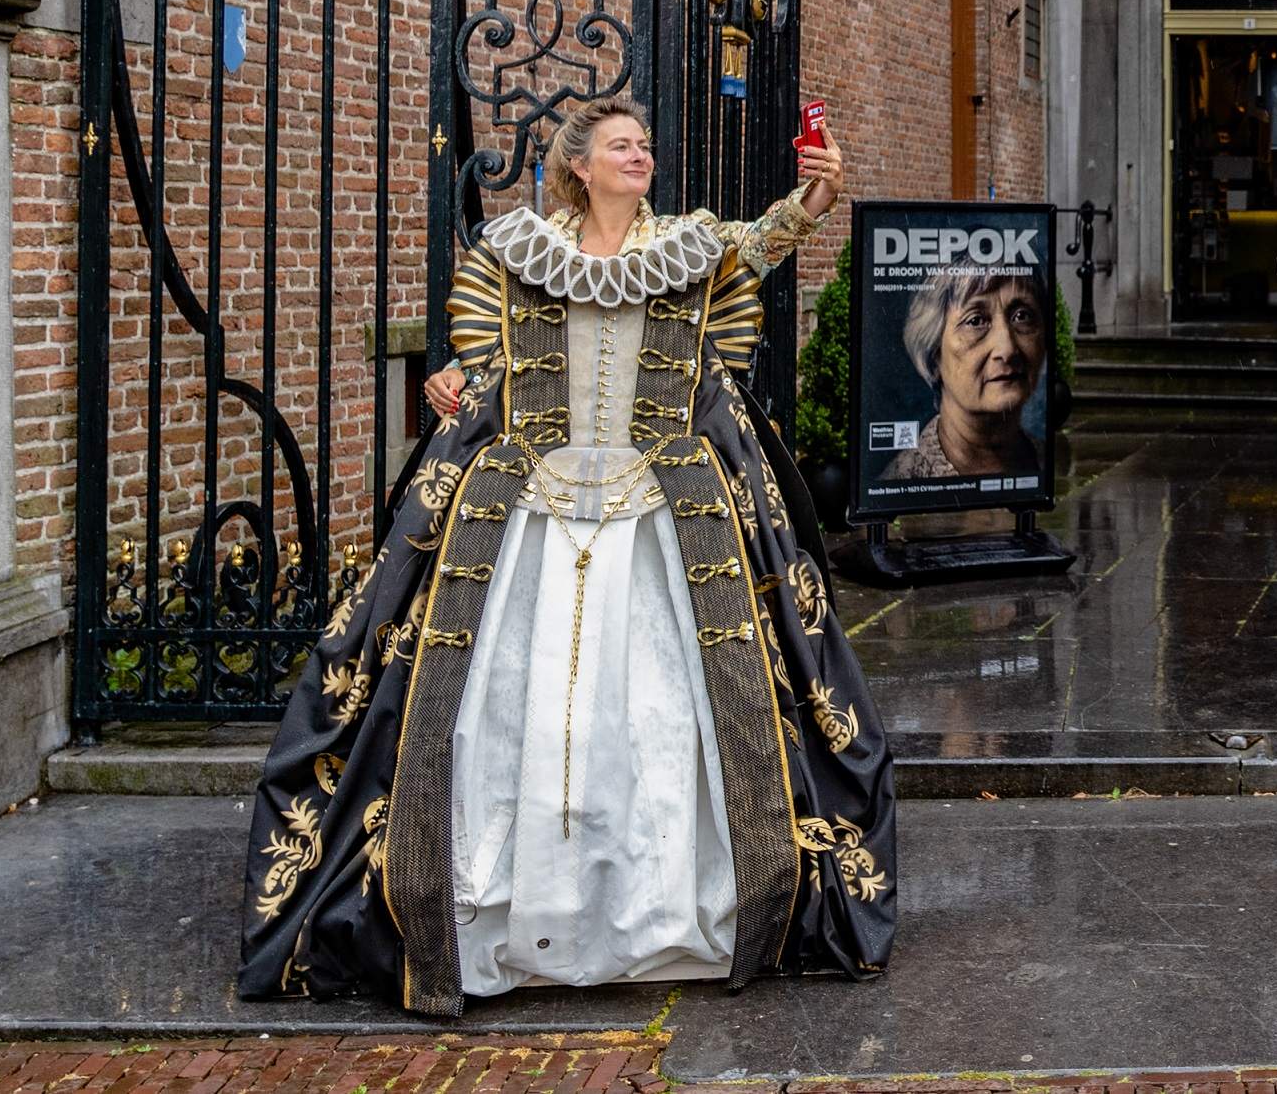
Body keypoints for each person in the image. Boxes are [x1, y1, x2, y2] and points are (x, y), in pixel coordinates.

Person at [238, 98, 897, 1017]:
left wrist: (814, 198)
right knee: (511, 721)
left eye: (646, 144)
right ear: (578, 164)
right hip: (530, 516)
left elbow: (760, 241)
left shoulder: (688, 247)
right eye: (623, 145)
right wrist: (455, 381)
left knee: (663, 725)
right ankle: (497, 917)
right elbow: (485, 362)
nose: (642, 156)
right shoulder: (519, 249)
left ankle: (666, 918)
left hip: (663, 516)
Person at [879, 270, 1048, 479]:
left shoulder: (1048, 465)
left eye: (1021, 316)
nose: (1007, 350)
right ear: (933, 359)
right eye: (975, 321)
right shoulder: (902, 480)